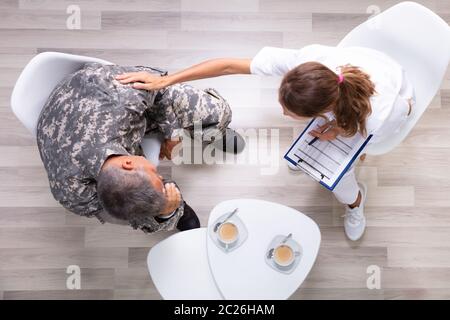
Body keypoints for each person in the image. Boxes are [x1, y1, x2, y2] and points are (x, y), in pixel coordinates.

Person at [116, 44, 415, 241]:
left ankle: (355, 202)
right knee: (310, 153)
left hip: (396, 95)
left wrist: (342, 132)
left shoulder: (379, 116)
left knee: (340, 182)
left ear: (318, 112)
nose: (283, 113)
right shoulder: (306, 64)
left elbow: (406, 109)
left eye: (290, 112)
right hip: (356, 90)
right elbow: (228, 66)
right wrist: (166, 80)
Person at [37, 62, 244, 233]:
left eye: (155, 173)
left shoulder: (122, 100)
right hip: (67, 130)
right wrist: (165, 211)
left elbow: (159, 85)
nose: (159, 170)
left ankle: (210, 130)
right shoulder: (71, 194)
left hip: (104, 101)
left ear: (128, 163)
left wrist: (173, 135)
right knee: (145, 206)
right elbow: (127, 213)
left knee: (215, 112)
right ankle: (176, 211)